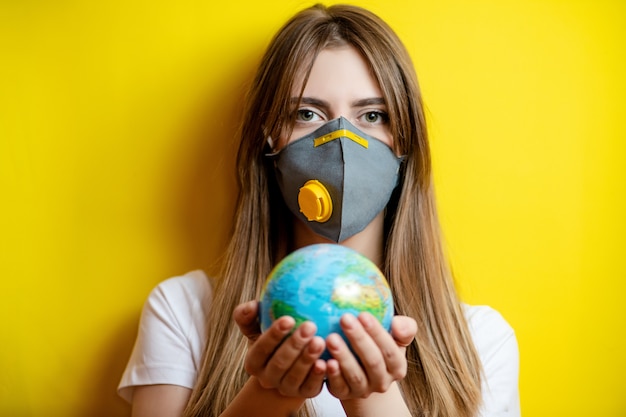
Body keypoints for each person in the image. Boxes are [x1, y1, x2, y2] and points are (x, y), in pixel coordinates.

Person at [118, 4, 520, 417]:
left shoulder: (482, 343)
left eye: (372, 115)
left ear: (403, 143)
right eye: (307, 114)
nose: (341, 141)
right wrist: (269, 395)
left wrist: (372, 396)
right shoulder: (182, 311)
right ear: (269, 138)